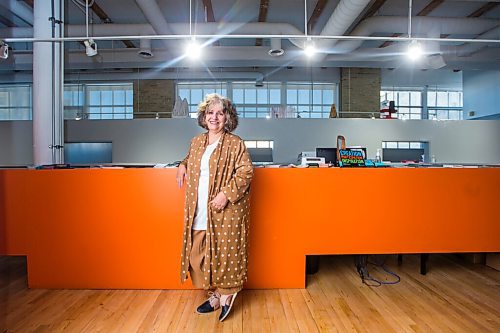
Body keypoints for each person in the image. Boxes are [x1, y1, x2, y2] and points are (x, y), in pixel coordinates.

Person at [176, 93, 253, 322]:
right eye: (210, 112)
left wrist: (226, 194)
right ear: (203, 116)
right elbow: (191, 159)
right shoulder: (197, 142)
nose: (215, 117)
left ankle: (225, 295)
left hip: (224, 211)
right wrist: (182, 165)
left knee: (225, 255)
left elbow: (246, 171)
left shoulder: (235, 143)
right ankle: (218, 294)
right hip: (199, 209)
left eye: (220, 113)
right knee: (197, 256)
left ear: (227, 118)